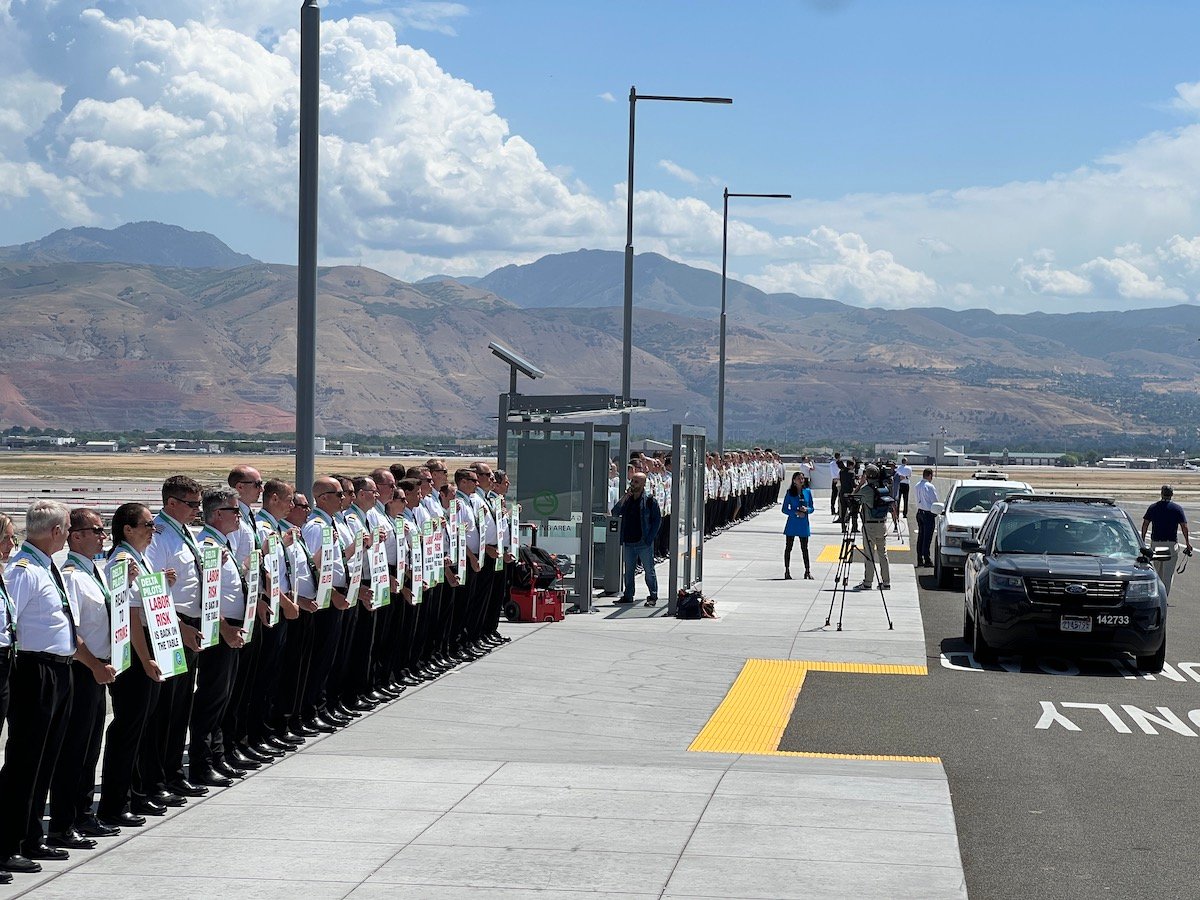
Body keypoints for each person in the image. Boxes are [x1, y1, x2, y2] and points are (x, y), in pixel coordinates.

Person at [0, 500, 73, 876]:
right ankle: (8, 841)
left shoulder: (47, 565)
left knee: (46, 757)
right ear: (56, 531)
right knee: (25, 760)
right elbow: (9, 625)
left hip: (59, 669)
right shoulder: (24, 571)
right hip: (34, 671)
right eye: (67, 529)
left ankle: (31, 835)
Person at [48, 508, 119, 850]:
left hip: (99, 668)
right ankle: (65, 822)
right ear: (76, 536)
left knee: (91, 747)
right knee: (74, 749)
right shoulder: (73, 576)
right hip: (83, 669)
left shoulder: (96, 571)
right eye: (97, 530)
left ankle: (83, 813)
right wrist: (93, 665)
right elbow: (73, 634)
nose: (104, 535)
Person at [97, 503, 165, 827]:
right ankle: (114, 803)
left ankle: (136, 793)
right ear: (127, 529)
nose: (153, 531)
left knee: (142, 726)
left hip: (146, 649)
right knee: (128, 728)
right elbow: (130, 616)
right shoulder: (122, 562)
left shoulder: (139, 558)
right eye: (147, 525)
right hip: (134, 655)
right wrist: (145, 658)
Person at [612, 471, 662, 606]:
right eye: (632, 481)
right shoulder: (628, 500)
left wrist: (649, 539)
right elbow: (615, 512)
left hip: (643, 542)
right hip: (629, 541)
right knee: (628, 571)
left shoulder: (650, 500)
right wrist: (624, 497)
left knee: (649, 571)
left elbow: (657, 521)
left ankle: (653, 596)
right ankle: (628, 595)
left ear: (643, 484)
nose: (633, 484)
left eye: (636, 482)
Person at [1140, 485, 1193, 596]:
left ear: (1161, 493)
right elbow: (1184, 527)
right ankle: (1163, 596)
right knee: (1167, 574)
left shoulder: (1153, 507)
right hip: (1170, 544)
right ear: (1172, 494)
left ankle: (1156, 594)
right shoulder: (1177, 508)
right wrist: (1187, 543)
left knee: (1158, 571)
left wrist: (1142, 539)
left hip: (1156, 543)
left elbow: (1145, 524)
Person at [852, 465, 892, 591]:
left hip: (870, 525)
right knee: (883, 554)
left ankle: (868, 582)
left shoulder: (866, 489)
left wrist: (860, 483)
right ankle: (886, 582)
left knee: (869, 554)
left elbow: (853, 497)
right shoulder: (883, 488)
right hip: (882, 524)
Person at [781, 472, 814, 580]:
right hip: (793, 522)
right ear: (794, 480)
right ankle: (787, 570)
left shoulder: (807, 492)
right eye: (799, 478)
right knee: (788, 547)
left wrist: (807, 510)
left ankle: (807, 571)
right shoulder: (790, 493)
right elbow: (784, 509)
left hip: (803, 523)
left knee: (805, 548)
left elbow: (812, 508)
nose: (801, 480)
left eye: (802, 478)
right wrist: (795, 513)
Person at [914, 468, 939, 568]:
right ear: (929, 475)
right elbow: (935, 501)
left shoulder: (917, 485)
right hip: (928, 514)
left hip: (919, 512)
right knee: (927, 538)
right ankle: (927, 559)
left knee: (921, 537)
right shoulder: (929, 486)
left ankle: (919, 558)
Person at [829, 452, 842, 516]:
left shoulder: (831, 463)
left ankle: (832, 509)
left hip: (834, 479)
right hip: (839, 480)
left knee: (833, 496)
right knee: (840, 496)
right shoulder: (840, 463)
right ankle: (839, 509)